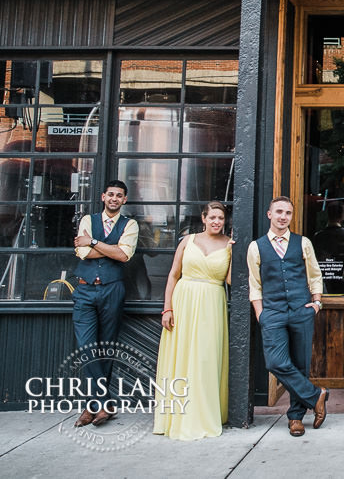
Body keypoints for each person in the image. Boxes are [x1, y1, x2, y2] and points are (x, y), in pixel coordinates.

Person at [247, 196, 328, 437]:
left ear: (292, 216)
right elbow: (255, 283)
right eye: (279, 212)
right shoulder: (256, 246)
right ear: (269, 214)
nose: (283, 216)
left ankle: (295, 418)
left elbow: (315, 274)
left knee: (301, 364)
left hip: (301, 311)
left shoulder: (302, 243)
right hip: (272, 312)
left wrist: (316, 303)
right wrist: (260, 314)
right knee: (275, 362)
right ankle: (316, 395)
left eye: (288, 213)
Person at [154, 201, 232, 440]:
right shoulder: (187, 241)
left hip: (211, 302)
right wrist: (167, 308)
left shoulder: (229, 245)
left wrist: (236, 252)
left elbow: (230, 281)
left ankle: (203, 413)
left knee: (205, 358)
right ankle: (176, 415)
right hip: (183, 301)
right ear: (204, 218)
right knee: (181, 356)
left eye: (221, 218)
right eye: (213, 217)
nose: (217, 222)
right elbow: (173, 275)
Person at [71, 180, 139, 428]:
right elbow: (82, 253)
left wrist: (92, 242)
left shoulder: (129, 224)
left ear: (124, 200)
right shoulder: (88, 220)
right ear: (103, 197)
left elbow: (124, 255)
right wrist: (106, 248)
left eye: (119, 195)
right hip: (85, 290)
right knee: (87, 348)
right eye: (110, 194)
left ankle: (92, 408)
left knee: (106, 349)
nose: (114, 198)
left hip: (113, 290)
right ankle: (105, 403)